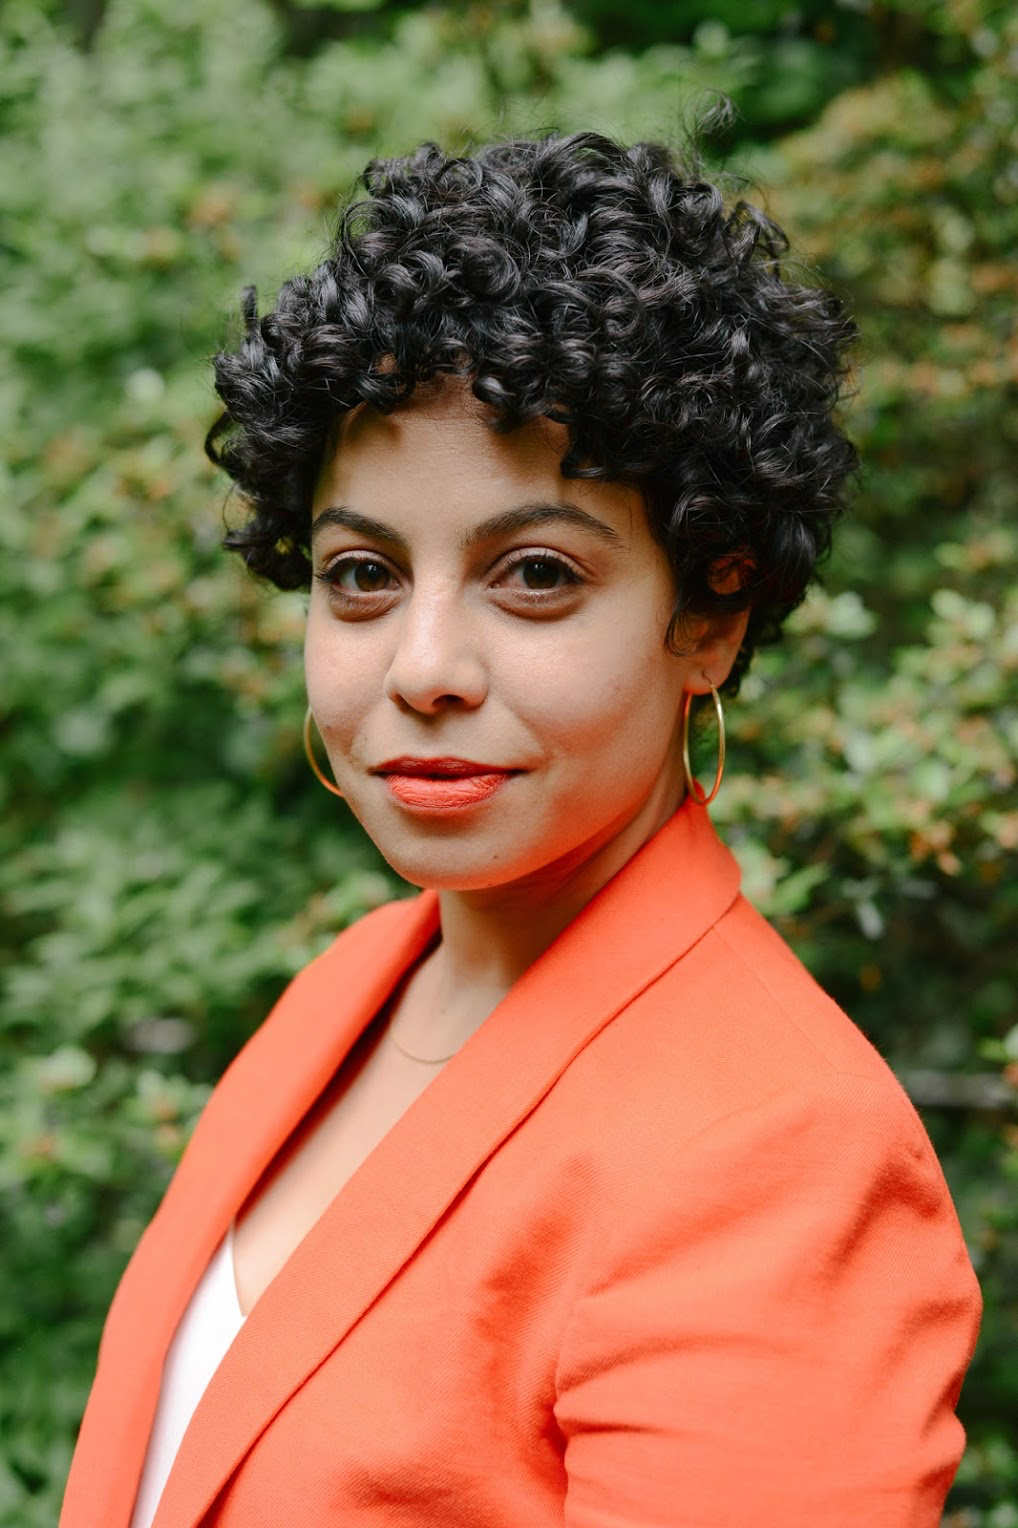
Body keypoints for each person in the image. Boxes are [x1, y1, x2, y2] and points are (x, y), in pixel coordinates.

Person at [61, 130, 981, 1528]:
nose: (421, 663)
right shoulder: (348, 989)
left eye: (535, 574)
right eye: (361, 573)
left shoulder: (774, 1155)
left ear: (708, 617)